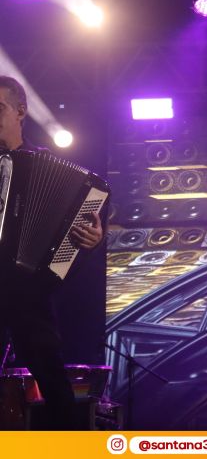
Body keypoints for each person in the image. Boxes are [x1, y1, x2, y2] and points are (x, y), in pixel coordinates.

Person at [0, 75, 104, 429]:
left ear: (21, 111)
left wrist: (92, 238)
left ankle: (68, 448)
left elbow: (76, 231)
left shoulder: (43, 163)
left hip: (28, 291)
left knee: (53, 381)